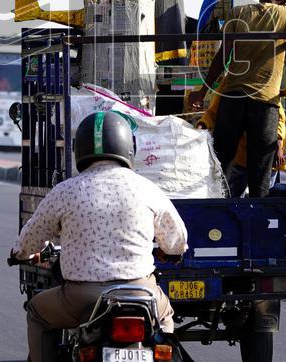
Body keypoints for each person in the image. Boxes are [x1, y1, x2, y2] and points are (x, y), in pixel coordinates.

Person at [11, 111, 188, 362]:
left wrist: (21, 254)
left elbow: (29, 240)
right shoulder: (147, 189)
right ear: (129, 148)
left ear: (79, 150)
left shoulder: (66, 191)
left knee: (37, 313)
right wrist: (171, 252)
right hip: (140, 294)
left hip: (82, 299)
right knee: (165, 316)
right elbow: (177, 241)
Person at [187, 0, 286, 197]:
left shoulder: (237, 14)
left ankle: (219, 209)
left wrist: (202, 91)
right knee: (261, 164)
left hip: (233, 97)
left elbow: (222, 57)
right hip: (265, 101)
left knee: (222, 159)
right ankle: (257, 218)